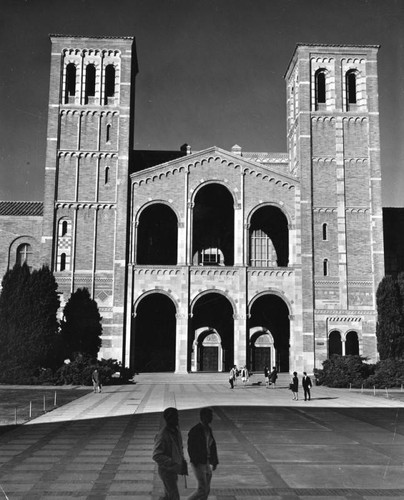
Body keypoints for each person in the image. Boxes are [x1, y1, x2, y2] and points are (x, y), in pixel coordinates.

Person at [153, 407, 188, 500]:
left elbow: (179, 447)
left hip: (173, 469)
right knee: (174, 496)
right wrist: (172, 462)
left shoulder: (176, 431)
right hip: (166, 470)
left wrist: (182, 460)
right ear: (169, 419)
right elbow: (156, 455)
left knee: (169, 496)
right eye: (175, 417)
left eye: (177, 417)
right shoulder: (163, 435)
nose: (177, 419)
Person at [187, 407, 218, 500]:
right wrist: (196, 461)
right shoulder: (195, 430)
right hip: (199, 463)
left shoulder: (208, 429)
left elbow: (212, 445)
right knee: (202, 490)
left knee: (206, 490)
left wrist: (214, 461)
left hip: (207, 462)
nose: (211, 418)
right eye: (210, 416)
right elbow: (191, 448)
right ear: (203, 417)